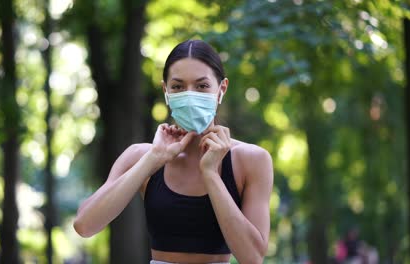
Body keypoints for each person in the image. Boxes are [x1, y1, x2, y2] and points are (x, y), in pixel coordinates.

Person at [73, 39, 274, 264]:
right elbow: (84, 225)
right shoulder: (142, 156)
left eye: (201, 86)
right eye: (178, 86)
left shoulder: (251, 160)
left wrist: (210, 174)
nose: (190, 95)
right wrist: (153, 159)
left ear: (221, 89)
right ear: (166, 91)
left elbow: (253, 258)